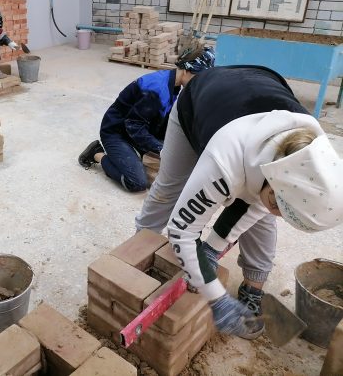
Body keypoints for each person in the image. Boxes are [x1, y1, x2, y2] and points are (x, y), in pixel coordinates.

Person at [134, 64, 343, 339]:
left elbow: (256, 207)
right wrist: (216, 298)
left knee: (263, 217)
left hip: (262, 86)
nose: (278, 213)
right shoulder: (225, 160)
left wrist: (211, 249)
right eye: (278, 205)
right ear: (272, 178)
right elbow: (181, 231)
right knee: (169, 186)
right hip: (202, 99)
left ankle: (253, 287)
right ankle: (137, 250)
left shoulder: (312, 157)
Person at [78, 46, 216, 192]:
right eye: (197, 78)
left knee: (177, 154)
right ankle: (96, 154)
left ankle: (135, 156)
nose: (199, 84)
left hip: (141, 127)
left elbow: (164, 118)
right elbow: (134, 126)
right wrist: (162, 149)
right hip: (117, 132)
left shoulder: (174, 84)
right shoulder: (156, 89)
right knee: (137, 182)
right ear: (187, 70)